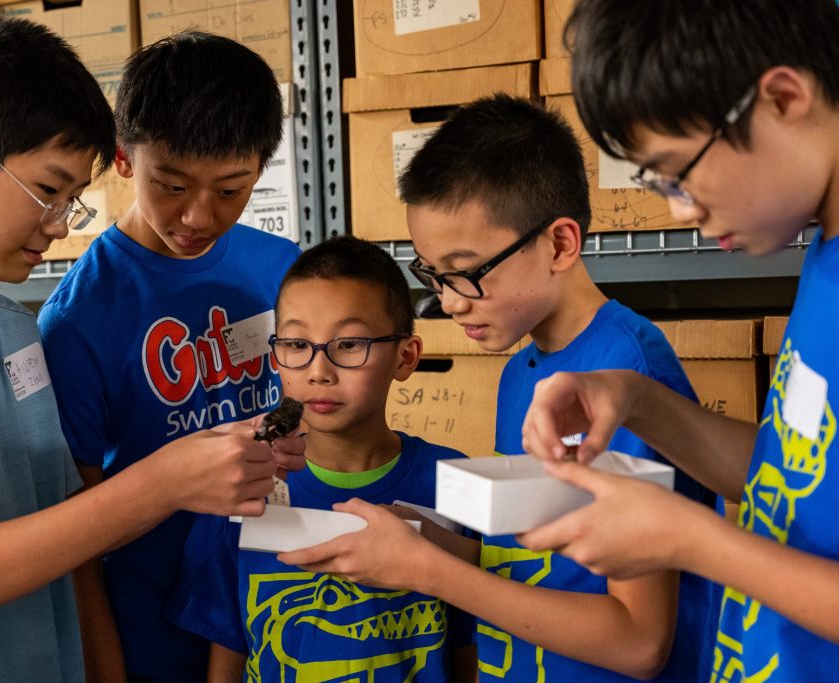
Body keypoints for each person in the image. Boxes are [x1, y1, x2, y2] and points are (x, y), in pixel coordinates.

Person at [0, 17, 302, 683]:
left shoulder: (13, 329)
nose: (56, 224)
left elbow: (67, 533)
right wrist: (166, 481)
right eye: (47, 191)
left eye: (72, 200)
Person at [279, 94, 717, 681]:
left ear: (560, 244)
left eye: (467, 272)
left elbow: (638, 641)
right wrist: (427, 542)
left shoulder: (625, 374)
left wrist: (428, 572)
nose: (449, 300)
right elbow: (539, 567)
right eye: (433, 273)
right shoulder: (523, 370)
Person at [510, 1, 839, 681]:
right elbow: (794, 477)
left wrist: (691, 539)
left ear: (783, 98)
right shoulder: (823, 250)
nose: (680, 209)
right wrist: (631, 398)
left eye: (678, 170)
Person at [37, 31, 302, 682]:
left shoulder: (281, 268)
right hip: (153, 634)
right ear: (124, 160)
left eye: (230, 190)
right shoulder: (78, 321)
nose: (197, 215)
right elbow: (77, 540)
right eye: (172, 184)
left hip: (283, 614)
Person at [168, 236, 477, 681]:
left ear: (405, 357)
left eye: (350, 344)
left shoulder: (454, 483)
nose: (318, 370)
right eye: (296, 344)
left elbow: (471, 648)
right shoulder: (236, 488)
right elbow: (226, 654)